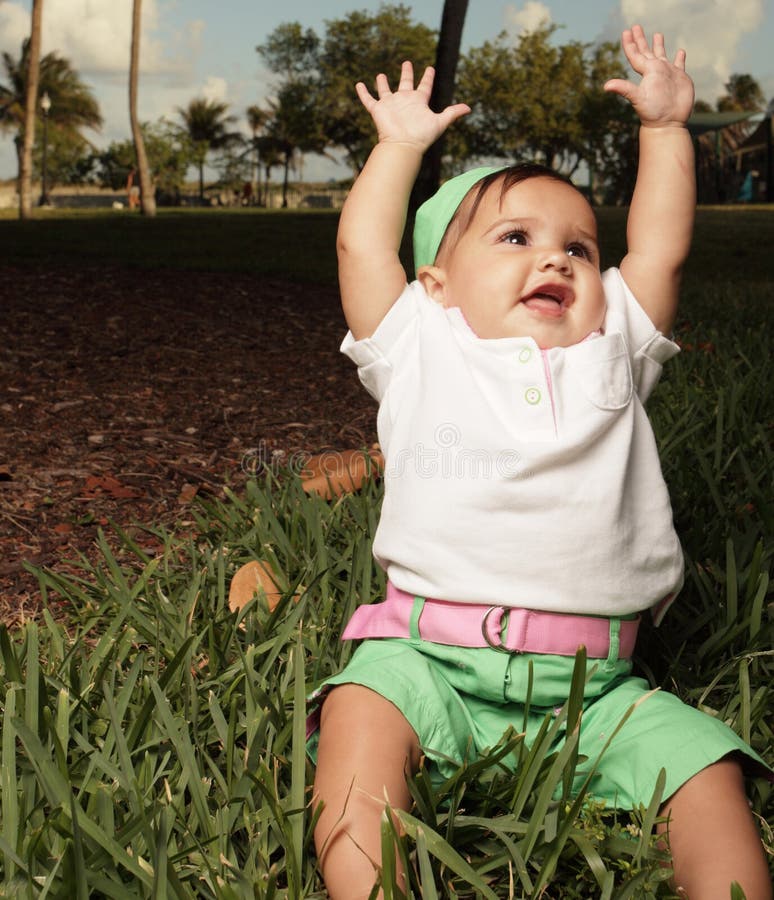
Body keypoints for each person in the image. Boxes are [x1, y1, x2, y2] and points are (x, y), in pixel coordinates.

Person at [308, 26, 772, 899]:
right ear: (436, 285)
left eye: (579, 248)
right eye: (514, 238)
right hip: (425, 665)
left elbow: (661, 249)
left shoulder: (614, 348)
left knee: (706, 772)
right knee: (357, 715)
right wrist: (398, 149)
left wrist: (666, 132)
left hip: (595, 690)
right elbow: (362, 252)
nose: (556, 255)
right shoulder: (421, 348)